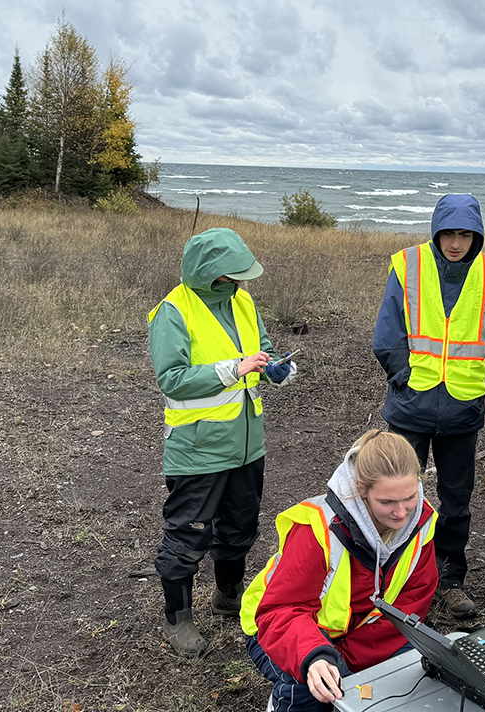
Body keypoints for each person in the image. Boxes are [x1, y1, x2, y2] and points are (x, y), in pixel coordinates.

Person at [148, 227, 298, 656]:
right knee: (187, 535)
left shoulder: (243, 301)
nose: (239, 283)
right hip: (198, 450)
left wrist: (274, 367)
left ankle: (229, 596)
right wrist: (235, 368)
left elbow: (262, 348)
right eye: (232, 276)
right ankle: (177, 621)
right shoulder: (173, 311)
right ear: (209, 273)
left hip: (248, 445)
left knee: (239, 527)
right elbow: (171, 379)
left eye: (241, 276)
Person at [373, 194, 485, 618]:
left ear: (477, 235)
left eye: (464, 234)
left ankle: (449, 579)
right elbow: (388, 333)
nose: (455, 242)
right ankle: (393, 578)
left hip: (463, 410)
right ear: (435, 232)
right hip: (410, 406)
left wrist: (483, 382)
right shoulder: (407, 265)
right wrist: (405, 379)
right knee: (395, 496)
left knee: (456, 501)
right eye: (447, 233)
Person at [240, 430, 438, 712]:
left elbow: (411, 605)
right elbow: (280, 611)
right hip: (280, 628)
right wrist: (318, 657)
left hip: (362, 635)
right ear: (360, 488)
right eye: (387, 502)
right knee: (315, 687)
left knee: (415, 670)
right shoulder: (317, 528)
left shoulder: (422, 523)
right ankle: (284, 703)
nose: (402, 513)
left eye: (409, 497)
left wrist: (346, 660)